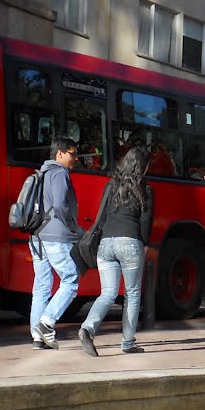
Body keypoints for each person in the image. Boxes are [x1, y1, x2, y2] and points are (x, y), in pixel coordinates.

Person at [78, 144, 154, 357]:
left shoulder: (111, 186)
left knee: (108, 293)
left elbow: (101, 217)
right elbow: (146, 221)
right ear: (143, 167)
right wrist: (144, 244)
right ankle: (128, 343)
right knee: (132, 294)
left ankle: (87, 329)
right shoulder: (146, 189)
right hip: (130, 243)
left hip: (106, 244)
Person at [30, 138, 82, 349]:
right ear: (60, 154)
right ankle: (47, 322)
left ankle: (37, 336)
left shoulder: (41, 173)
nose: (76, 158)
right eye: (73, 153)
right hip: (56, 237)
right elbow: (60, 203)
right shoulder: (60, 173)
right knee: (70, 280)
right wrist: (72, 226)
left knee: (41, 286)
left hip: (36, 237)